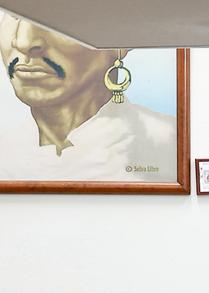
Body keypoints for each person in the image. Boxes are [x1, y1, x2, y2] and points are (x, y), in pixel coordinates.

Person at [0, 12, 177, 181]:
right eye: (14, 14)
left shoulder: (168, 142)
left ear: (121, 42)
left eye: (61, 15)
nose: (23, 41)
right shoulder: (8, 147)